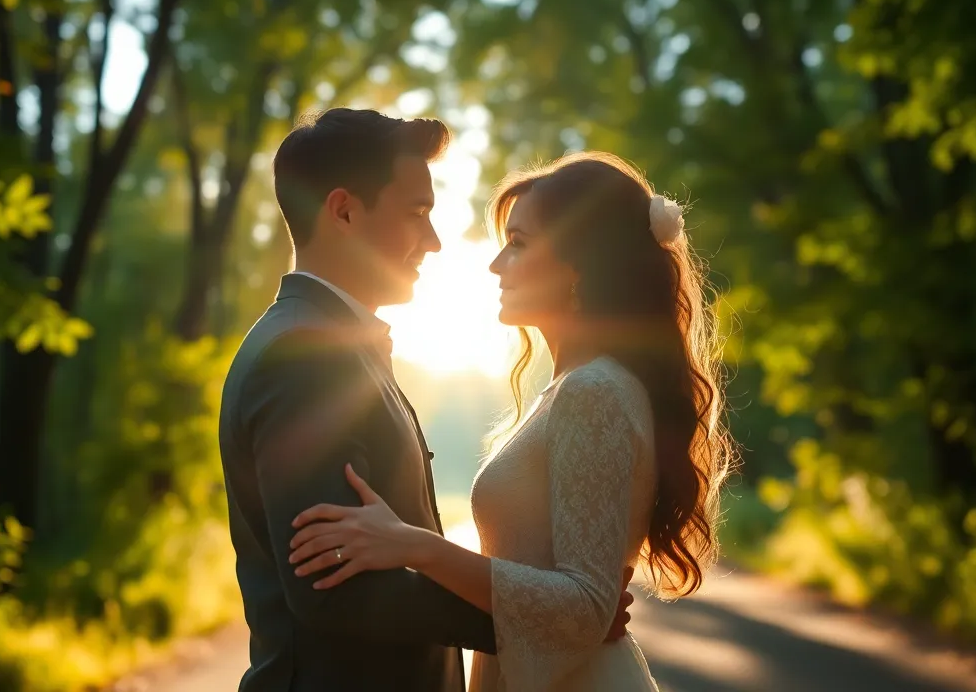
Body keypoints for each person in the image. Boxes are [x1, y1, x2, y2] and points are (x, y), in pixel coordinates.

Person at [217, 109, 634, 692]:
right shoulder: (305, 356)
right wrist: (547, 618)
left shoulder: (331, 343)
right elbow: (333, 587)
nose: (435, 242)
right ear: (344, 211)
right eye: (417, 214)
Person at [289, 151, 735, 690]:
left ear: (581, 265)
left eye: (519, 244)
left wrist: (416, 546)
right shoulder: (574, 389)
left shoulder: (593, 393)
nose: (497, 264)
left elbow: (585, 607)